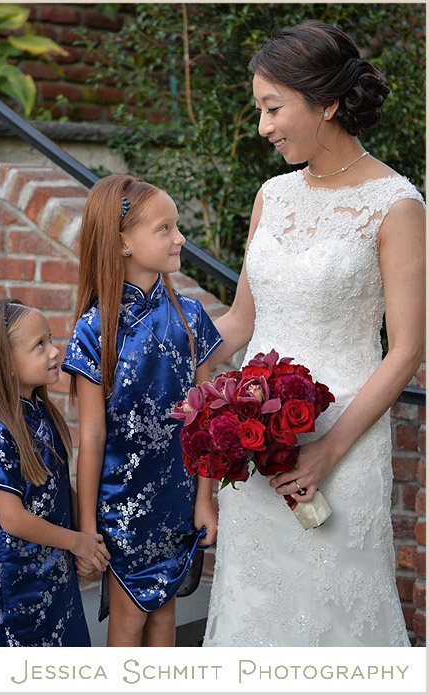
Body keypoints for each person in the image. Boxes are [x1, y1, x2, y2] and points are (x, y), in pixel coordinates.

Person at [203, 20, 425, 647]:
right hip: (256, 444)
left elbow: (407, 348)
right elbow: (243, 322)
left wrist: (328, 450)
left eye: (273, 108)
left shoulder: (397, 205)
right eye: (259, 110)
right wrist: (164, 358)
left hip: (343, 445)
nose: (264, 126)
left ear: (327, 102)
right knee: (256, 607)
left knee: (335, 615)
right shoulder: (271, 195)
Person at [61, 174, 223, 647]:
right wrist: (88, 529)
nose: (180, 238)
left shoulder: (190, 316)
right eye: (165, 229)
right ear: (123, 243)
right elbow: (90, 437)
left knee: (165, 619)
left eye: (177, 227)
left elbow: (205, 418)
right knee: (129, 621)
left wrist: (204, 498)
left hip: (177, 501)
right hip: (122, 511)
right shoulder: (95, 329)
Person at [0, 298, 110, 646]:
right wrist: (78, 542)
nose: (55, 352)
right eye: (40, 345)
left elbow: (55, 485)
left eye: (50, 339)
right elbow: (13, 519)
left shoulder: (41, 413)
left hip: (54, 573)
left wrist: (86, 530)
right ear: (4, 364)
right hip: (16, 587)